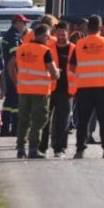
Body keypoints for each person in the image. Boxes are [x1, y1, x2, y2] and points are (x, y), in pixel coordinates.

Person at [70, 15, 104, 159]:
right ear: (101, 27)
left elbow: (72, 67)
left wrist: (84, 74)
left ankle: (80, 151)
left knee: (83, 121)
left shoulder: (80, 44)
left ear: (87, 28)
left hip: (84, 88)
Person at [7, 24, 59, 159]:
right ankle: (33, 149)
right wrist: (57, 74)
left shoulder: (21, 49)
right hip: (40, 92)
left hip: (23, 90)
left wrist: (16, 81)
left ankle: (20, 148)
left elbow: (10, 66)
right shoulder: (45, 51)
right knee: (38, 120)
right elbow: (53, 73)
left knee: (23, 119)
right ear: (42, 36)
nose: (48, 39)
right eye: (47, 36)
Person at [41, 22, 75, 158]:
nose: (61, 36)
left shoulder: (74, 49)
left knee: (63, 121)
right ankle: (42, 147)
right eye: (58, 34)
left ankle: (59, 148)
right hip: (49, 89)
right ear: (55, 34)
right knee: (45, 120)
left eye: (63, 34)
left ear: (68, 33)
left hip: (67, 90)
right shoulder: (48, 49)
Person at [0, 14, 29, 138]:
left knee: (9, 102)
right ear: (17, 23)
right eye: (24, 23)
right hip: (15, 72)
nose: (25, 25)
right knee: (16, 102)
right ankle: (15, 129)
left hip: (9, 72)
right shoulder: (13, 37)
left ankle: (5, 129)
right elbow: (17, 56)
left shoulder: (9, 35)